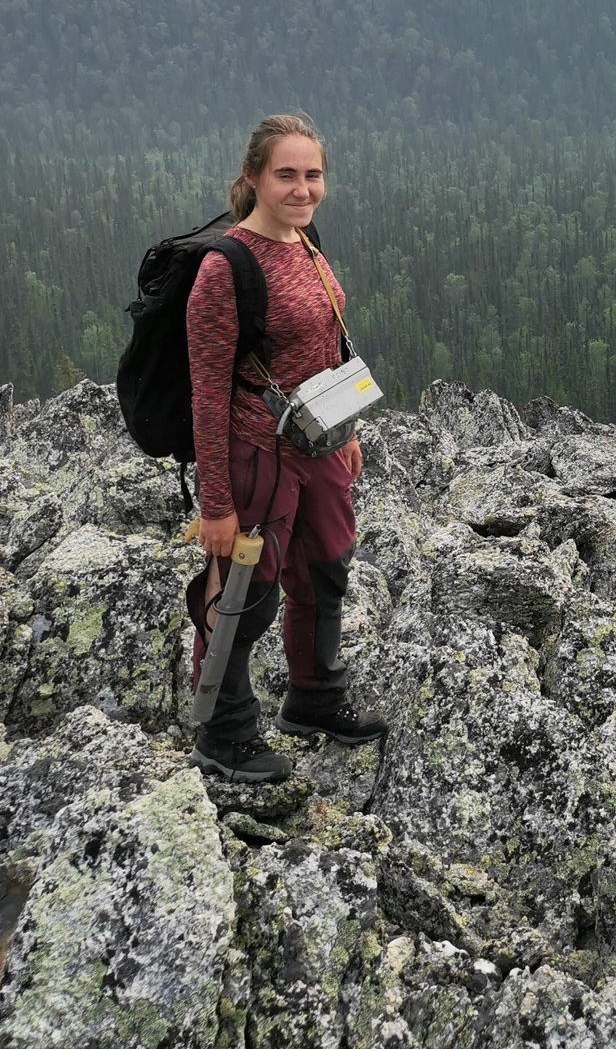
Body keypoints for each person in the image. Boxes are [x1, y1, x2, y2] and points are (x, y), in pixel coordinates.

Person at [185, 113, 385, 781]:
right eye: (287, 175)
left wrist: (346, 432)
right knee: (246, 592)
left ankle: (315, 699)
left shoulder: (305, 241)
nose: (303, 189)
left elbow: (326, 346)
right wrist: (216, 505)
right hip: (257, 456)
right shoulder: (226, 268)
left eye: (313, 174)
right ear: (253, 178)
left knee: (325, 572)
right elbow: (208, 394)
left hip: (319, 447)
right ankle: (224, 728)